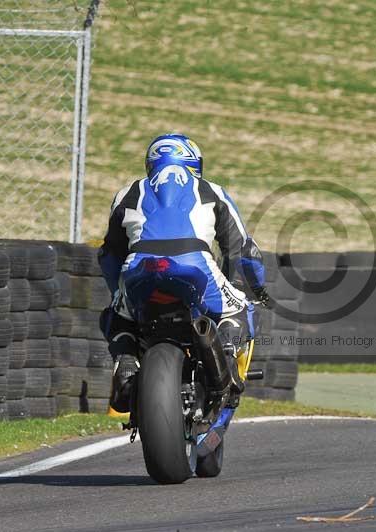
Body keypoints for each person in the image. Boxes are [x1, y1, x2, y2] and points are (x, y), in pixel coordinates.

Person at [98, 133, 269, 412]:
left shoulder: (126, 193)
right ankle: (225, 353)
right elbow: (244, 252)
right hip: (195, 264)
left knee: (116, 316)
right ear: (195, 164)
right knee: (240, 309)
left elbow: (109, 253)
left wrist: (119, 292)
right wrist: (254, 289)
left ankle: (126, 362)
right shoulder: (213, 191)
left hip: (140, 268)